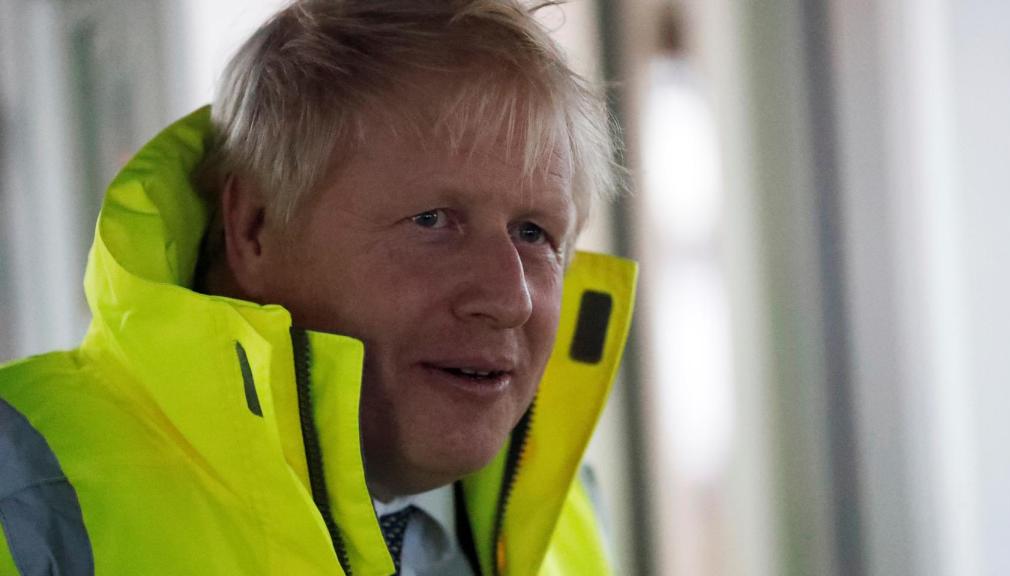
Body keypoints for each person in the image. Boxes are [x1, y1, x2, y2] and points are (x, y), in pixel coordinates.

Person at [0, 0, 637, 574]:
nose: (509, 299)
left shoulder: (566, 514)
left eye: (534, 233)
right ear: (254, 227)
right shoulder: (24, 489)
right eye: (432, 221)